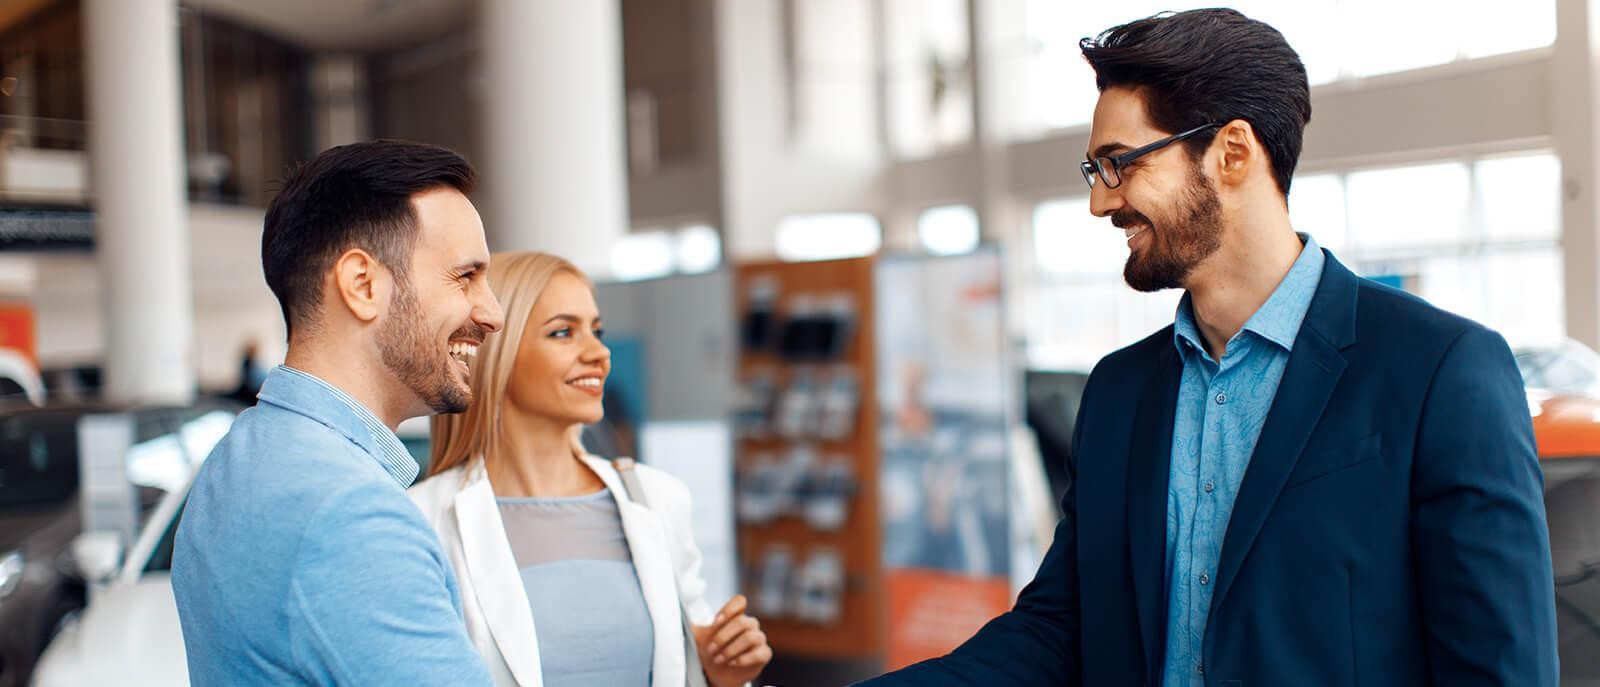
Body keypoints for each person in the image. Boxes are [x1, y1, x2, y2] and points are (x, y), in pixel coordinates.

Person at [860, 9, 1557, 687]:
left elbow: (1499, 668)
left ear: (1231, 153)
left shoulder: (1440, 373)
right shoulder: (1117, 395)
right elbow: (1056, 630)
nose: (1101, 204)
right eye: (1094, 170)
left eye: (1119, 164)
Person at [173, 140, 506, 685]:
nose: (491, 313)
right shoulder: (350, 514)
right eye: (464, 277)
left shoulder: (238, 459)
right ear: (362, 285)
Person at [409, 251, 772, 687]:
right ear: (494, 351)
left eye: (596, 331)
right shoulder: (422, 519)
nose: (599, 353)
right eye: (563, 332)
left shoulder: (657, 499)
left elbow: (690, 667)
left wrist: (721, 673)